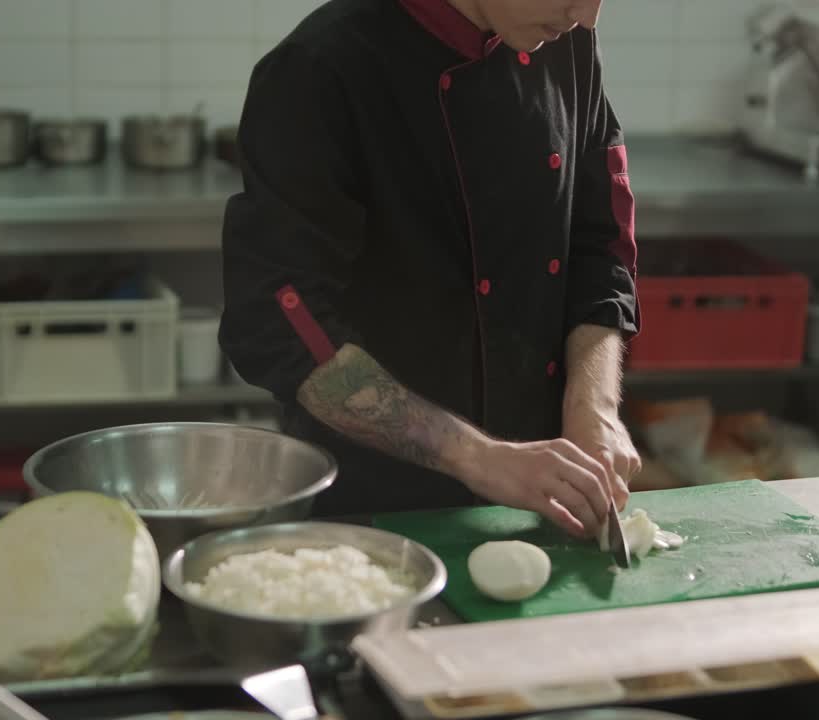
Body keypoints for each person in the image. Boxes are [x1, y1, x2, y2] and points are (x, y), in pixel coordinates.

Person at [220, 0, 640, 540]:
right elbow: (282, 325)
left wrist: (595, 406)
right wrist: (480, 458)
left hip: (545, 500)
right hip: (375, 517)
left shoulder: (562, 39)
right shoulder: (321, 68)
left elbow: (600, 245)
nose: (587, 16)